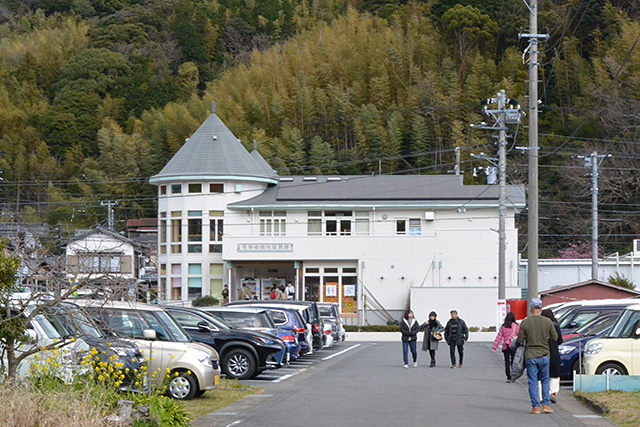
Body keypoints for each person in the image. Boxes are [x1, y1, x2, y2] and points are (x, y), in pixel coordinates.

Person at [516, 298, 558, 415]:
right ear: (541, 308)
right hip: (544, 355)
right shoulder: (548, 322)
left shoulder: (525, 322)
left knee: (533, 382)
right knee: (545, 380)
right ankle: (546, 405)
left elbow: (519, 339)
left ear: (530, 308)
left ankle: (535, 407)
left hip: (531, 355)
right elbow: (555, 338)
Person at [541, 308, 563, 403]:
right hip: (554, 352)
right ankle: (552, 393)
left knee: (542, 375)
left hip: (542, 352)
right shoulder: (555, 326)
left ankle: (543, 396)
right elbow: (560, 340)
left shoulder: (540, 327)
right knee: (554, 374)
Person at [492, 311, 520, 382]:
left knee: (507, 361)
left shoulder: (503, 326)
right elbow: (520, 336)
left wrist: (494, 347)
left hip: (505, 346)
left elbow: (499, 337)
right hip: (513, 346)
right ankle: (513, 376)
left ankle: (508, 377)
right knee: (513, 361)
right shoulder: (516, 326)